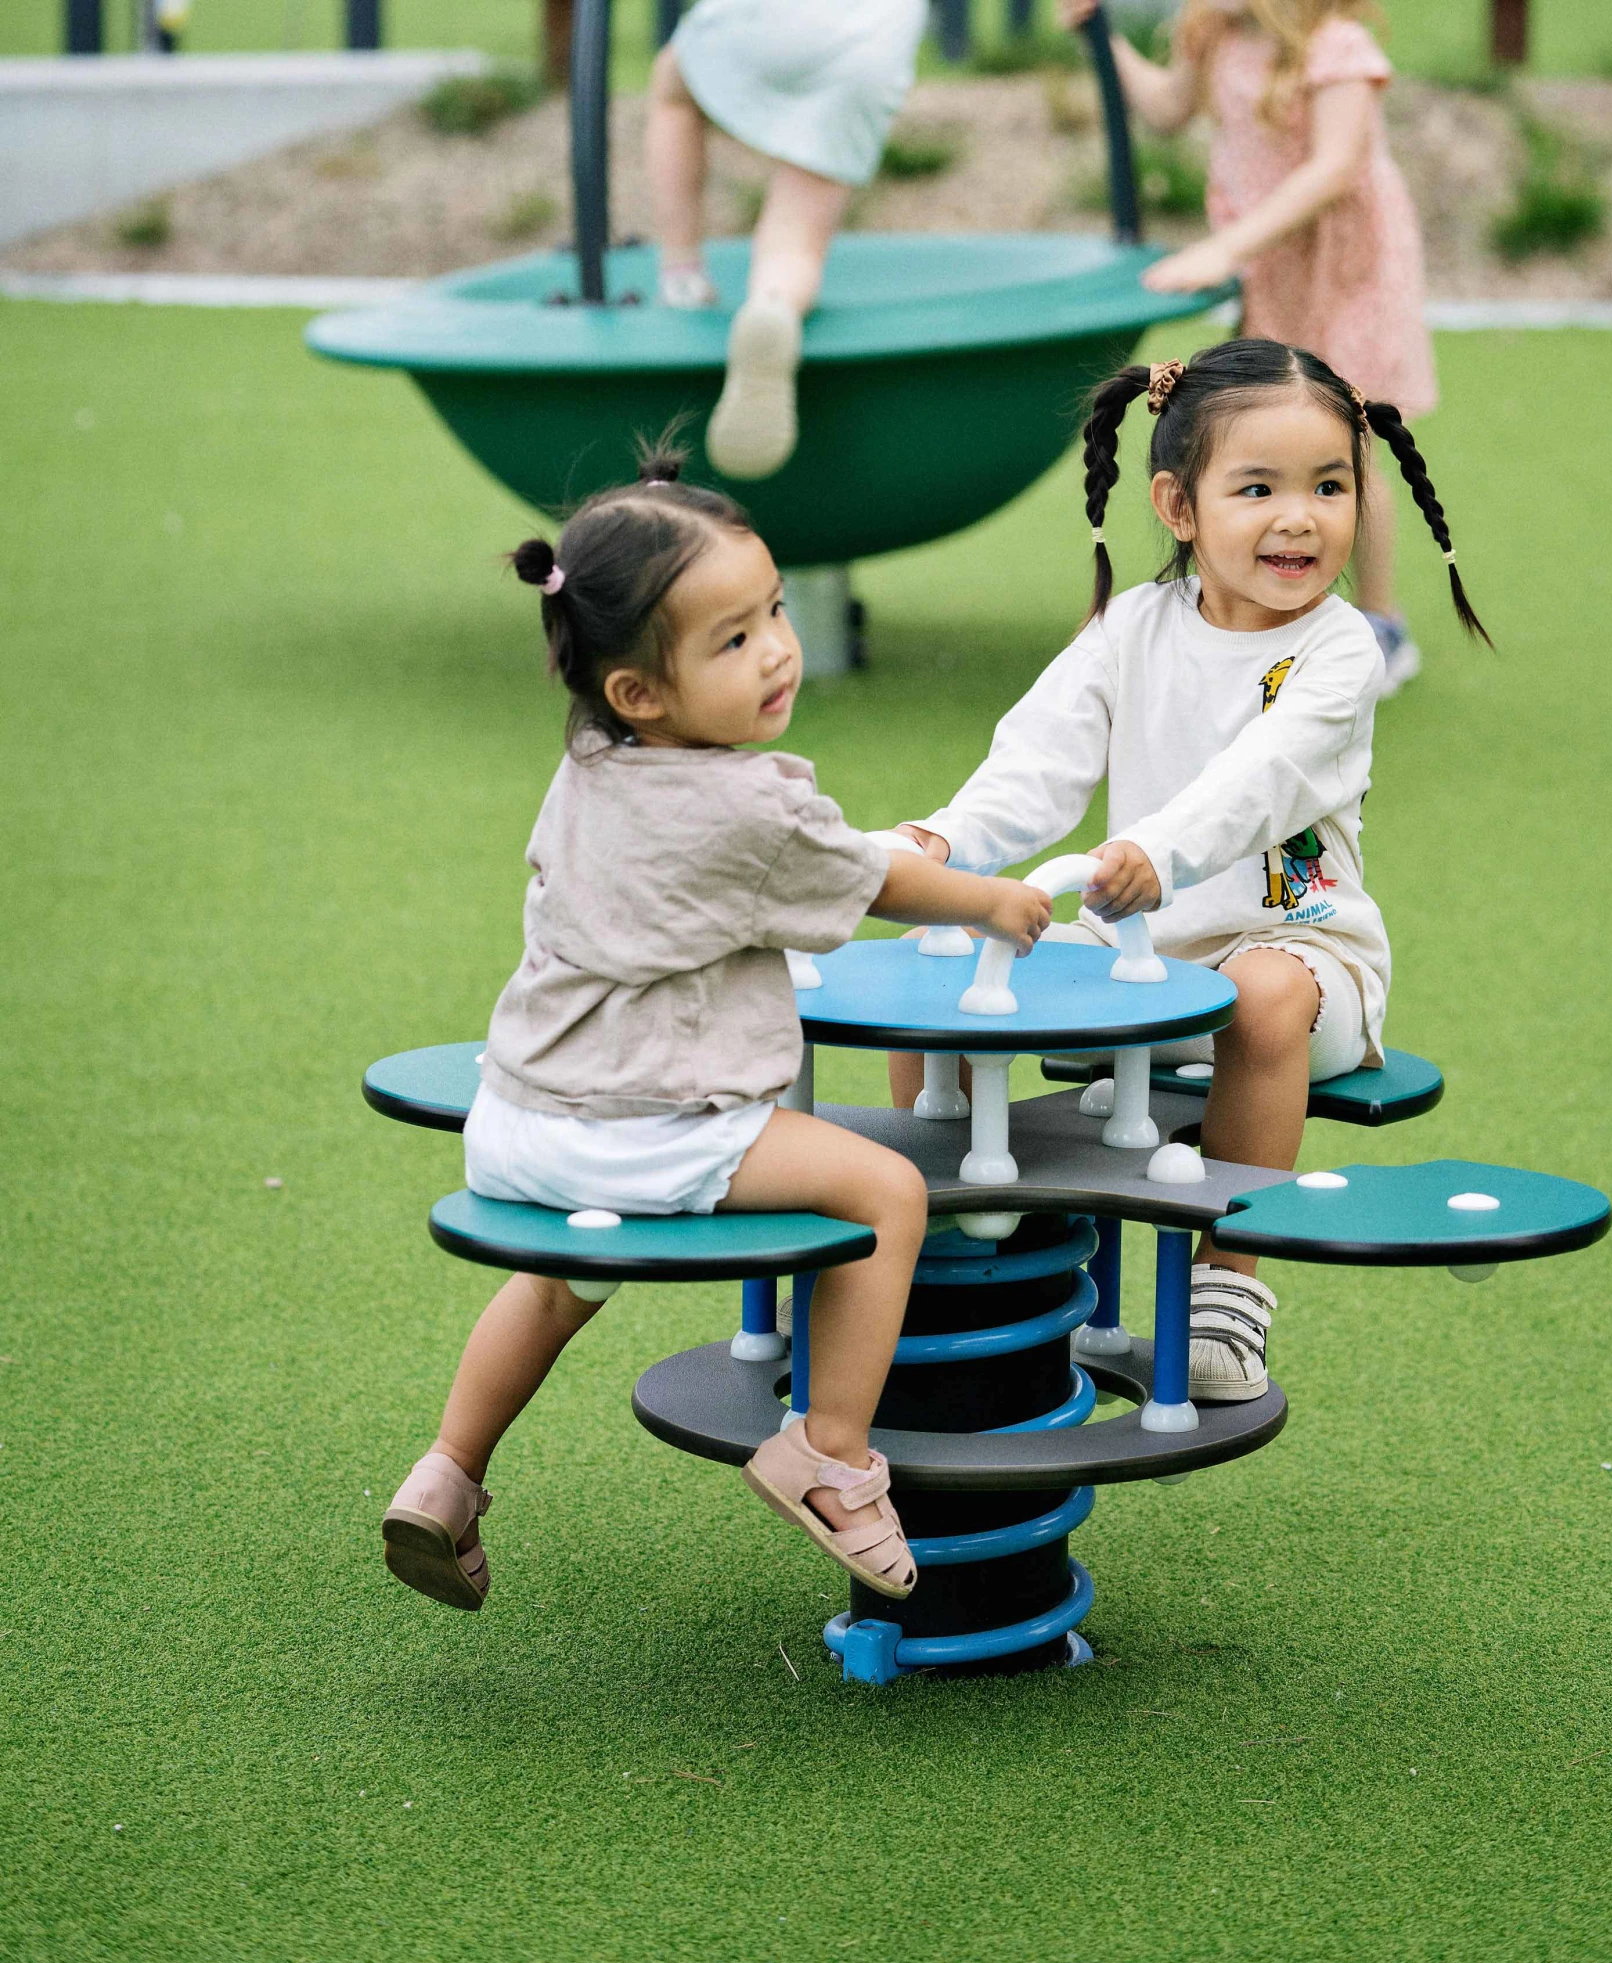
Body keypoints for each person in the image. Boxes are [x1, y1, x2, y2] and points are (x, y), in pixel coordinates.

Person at [381, 444, 1052, 1612]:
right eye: (733, 640)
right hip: (651, 1128)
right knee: (887, 1191)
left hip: (524, 1118)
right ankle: (829, 1455)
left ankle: (446, 1472)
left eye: (776, 610)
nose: (778, 648)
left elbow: (786, 870)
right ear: (639, 691)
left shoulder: (595, 757)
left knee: (557, 1282)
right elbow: (875, 884)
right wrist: (993, 896)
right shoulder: (747, 804)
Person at [889, 340, 1487, 1403]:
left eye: (1330, 486)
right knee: (940, 955)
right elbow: (1037, 762)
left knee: (1258, 995)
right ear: (1178, 504)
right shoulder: (1131, 630)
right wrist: (945, 844)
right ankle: (937, 1240)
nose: (1299, 517)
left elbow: (1263, 779)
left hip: (1299, 952)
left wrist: (1154, 857)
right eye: (1257, 488)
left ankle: (1229, 1287)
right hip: (1138, 950)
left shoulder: (1340, 651)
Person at [1058, 0, 1436, 693]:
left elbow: (1333, 167)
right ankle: (1270, 611)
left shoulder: (1335, 46)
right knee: (1267, 431)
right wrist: (1098, 34)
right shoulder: (1215, 35)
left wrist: (1225, 246)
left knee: (1348, 439)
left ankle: (1383, 626)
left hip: (1346, 267)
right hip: (1279, 266)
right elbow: (1167, 108)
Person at [642, 0, 929, 481]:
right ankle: (773, 304)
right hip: (874, 40)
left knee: (673, 86)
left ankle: (682, 272)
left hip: (771, 17)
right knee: (795, 242)